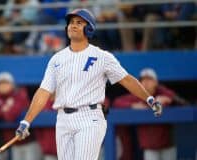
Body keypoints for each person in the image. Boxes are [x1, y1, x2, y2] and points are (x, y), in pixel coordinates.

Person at [14, 9, 163, 160]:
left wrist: (149, 99)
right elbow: (43, 92)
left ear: (89, 28)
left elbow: (126, 79)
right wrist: (26, 121)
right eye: (71, 23)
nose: (73, 25)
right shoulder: (56, 59)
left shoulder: (102, 57)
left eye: (79, 23)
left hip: (89, 117)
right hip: (63, 118)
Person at [113, 68, 176, 160]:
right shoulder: (138, 96)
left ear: (156, 82)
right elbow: (117, 102)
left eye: (149, 80)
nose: (146, 83)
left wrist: (165, 99)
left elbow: (173, 96)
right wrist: (132, 105)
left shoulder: (162, 93)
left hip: (167, 145)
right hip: (150, 147)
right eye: (143, 80)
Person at [0, 72, 42, 160]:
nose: (3, 86)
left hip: (29, 141)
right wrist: (2, 109)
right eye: (0, 83)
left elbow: (10, 116)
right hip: (13, 143)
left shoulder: (20, 94)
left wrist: (1, 110)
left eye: (6, 83)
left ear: (12, 84)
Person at [34, 95, 57, 160]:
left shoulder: (67, 102)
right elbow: (37, 128)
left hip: (67, 149)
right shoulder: (43, 104)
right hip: (49, 150)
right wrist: (44, 144)